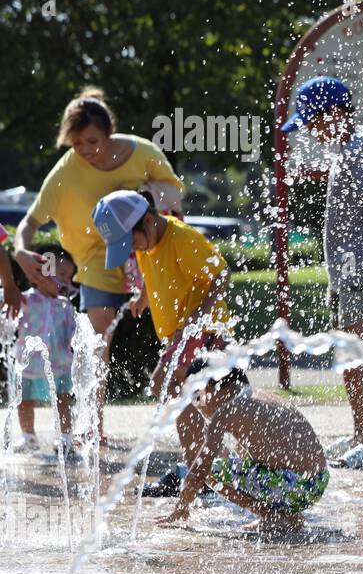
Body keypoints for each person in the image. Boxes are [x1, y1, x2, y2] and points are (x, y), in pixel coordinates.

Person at [12, 89, 183, 445]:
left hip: (149, 254)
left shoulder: (143, 153)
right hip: (96, 260)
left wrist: (137, 196)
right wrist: (21, 252)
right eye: (76, 144)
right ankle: (94, 426)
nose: (86, 151)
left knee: (174, 331)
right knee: (95, 341)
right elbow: (29, 223)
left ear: (109, 132)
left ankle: (195, 418)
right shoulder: (67, 172)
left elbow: (175, 197)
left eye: (92, 141)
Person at [280, 76, 363, 469]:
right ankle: (362, 434)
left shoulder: (357, 153)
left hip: (362, 272)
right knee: (349, 358)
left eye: (313, 122)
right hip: (349, 274)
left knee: (359, 356)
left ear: (333, 114)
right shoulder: (347, 152)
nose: (312, 133)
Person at [92, 190, 231, 496]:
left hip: (203, 331)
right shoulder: (147, 243)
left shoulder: (181, 239)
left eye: (130, 241)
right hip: (180, 333)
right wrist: (142, 297)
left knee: (165, 385)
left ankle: (202, 468)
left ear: (147, 221)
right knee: (192, 399)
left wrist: (199, 317)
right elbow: (148, 271)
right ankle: (206, 466)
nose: (131, 249)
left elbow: (222, 276)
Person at [155, 358, 328, 534]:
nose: (197, 405)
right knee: (244, 461)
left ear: (211, 388)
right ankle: (292, 518)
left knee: (210, 471)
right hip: (317, 482)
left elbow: (200, 468)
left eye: (196, 396)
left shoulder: (226, 411)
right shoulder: (258, 396)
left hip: (297, 486)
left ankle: (272, 517)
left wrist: (181, 507)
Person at [11, 245, 79, 453]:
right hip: (29, 364)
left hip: (59, 363)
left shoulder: (65, 306)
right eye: (63, 274)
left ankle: (65, 438)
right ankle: (28, 436)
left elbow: (74, 334)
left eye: (70, 277)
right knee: (24, 401)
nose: (67, 281)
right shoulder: (26, 299)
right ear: (43, 272)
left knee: (63, 400)